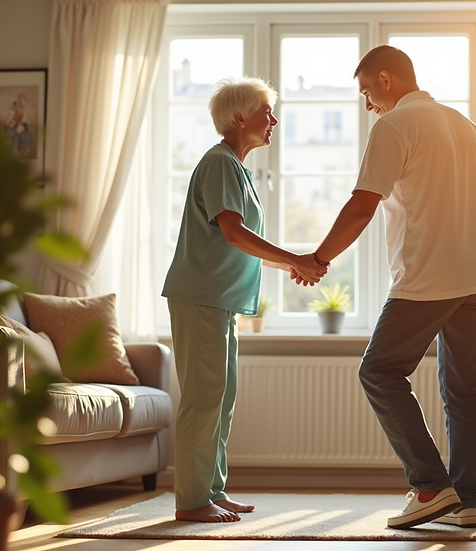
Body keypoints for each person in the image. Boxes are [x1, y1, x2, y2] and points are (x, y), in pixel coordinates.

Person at [310, 45, 476, 529]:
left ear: (386, 79)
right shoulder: (465, 126)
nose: (368, 106)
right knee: (463, 395)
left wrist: (319, 258)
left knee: (378, 371)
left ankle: (430, 486)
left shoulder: (394, 125)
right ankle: (465, 503)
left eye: (367, 93)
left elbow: (362, 206)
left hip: (429, 276)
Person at [162, 77, 327, 523]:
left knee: (221, 399)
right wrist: (295, 259)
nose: (273, 120)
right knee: (203, 400)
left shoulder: (235, 168)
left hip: (219, 301)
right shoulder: (219, 163)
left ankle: (211, 490)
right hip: (201, 297)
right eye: (266, 112)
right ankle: (192, 501)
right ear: (239, 117)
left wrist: (294, 266)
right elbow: (235, 233)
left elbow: (238, 241)